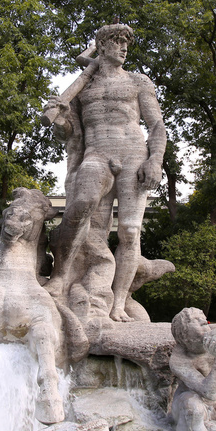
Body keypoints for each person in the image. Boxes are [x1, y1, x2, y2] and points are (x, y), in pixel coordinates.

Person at [43, 23, 166, 322]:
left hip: (133, 154)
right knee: (81, 205)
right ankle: (61, 277)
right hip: (96, 153)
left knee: (130, 231)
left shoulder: (138, 81)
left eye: (126, 43)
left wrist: (155, 160)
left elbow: (156, 125)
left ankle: (118, 303)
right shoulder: (83, 87)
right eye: (117, 42)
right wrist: (60, 120)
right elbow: (69, 133)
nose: (123, 48)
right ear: (101, 46)